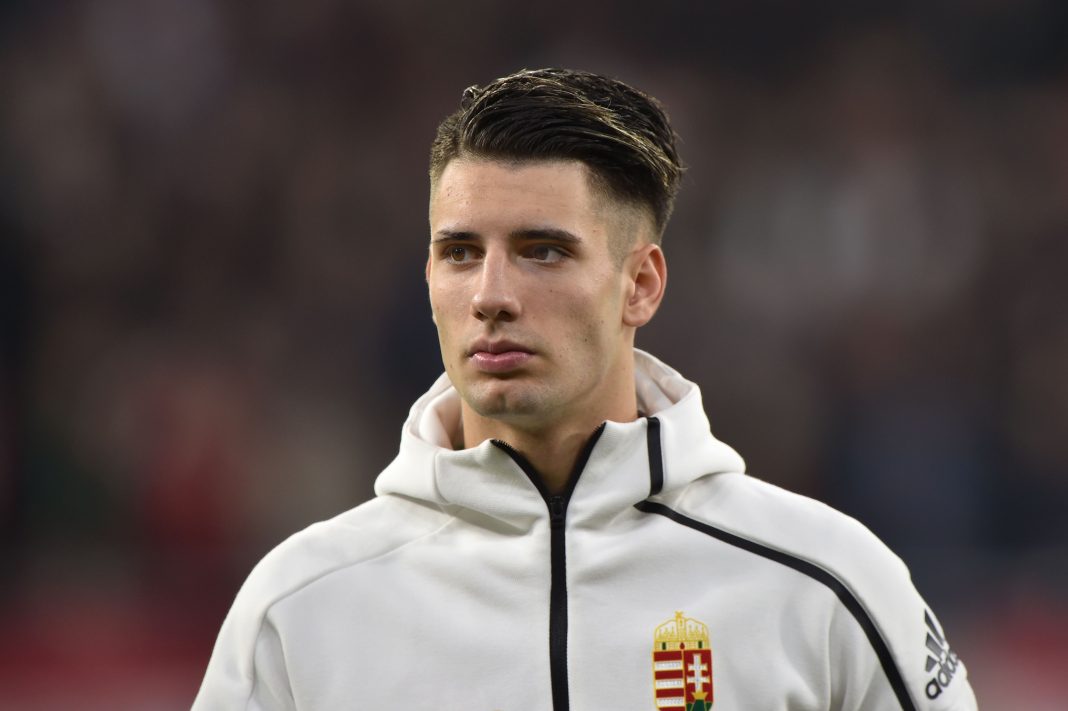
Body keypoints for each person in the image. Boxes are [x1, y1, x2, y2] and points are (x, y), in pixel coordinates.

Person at [193, 68, 978, 711]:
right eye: (461, 252)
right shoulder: (299, 608)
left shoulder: (825, 583)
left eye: (542, 251)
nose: (491, 294)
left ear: (640, 284)